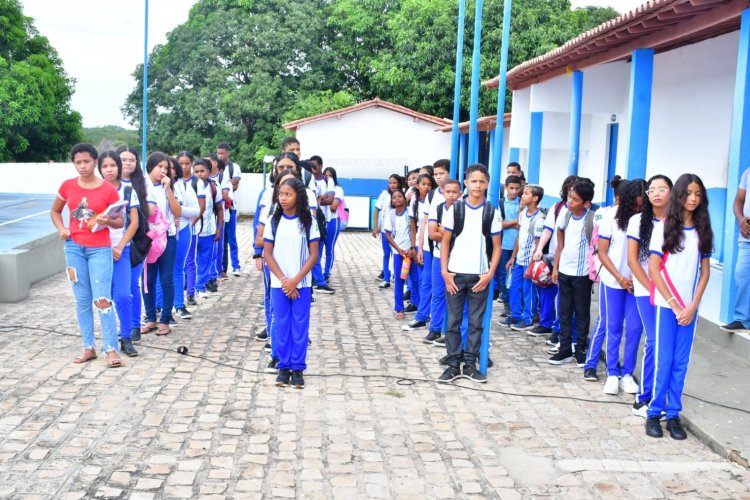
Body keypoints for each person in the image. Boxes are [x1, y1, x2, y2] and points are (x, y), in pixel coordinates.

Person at [646, 173, 713, 440]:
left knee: (681, 363)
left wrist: (692, 306)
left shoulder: (703, 230)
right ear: (679, 196)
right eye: (689, 194)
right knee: (664, 360)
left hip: (689, 311)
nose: (693, 199)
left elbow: (705, 272)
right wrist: (675, 305)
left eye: (698, 194)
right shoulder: (663, 228)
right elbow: (653, 269)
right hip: (667, 307)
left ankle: (673, 414)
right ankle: (654, 413)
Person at [51, 143, 124, 367]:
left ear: (95, 162)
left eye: (87, 161)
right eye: (78, 162)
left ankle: (111, 348)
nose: (82, 166)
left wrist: (107, 220)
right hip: (74, 248)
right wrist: (62, 229)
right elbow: (55, 211)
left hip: (99, 249)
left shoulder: (108, 190)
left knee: (102, 299)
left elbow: (120, 220)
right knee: (82, 300)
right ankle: (88, 347)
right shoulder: (67, 186)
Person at [438, 164, 502, 384]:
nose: (477, 185)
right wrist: (445, 272)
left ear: (487, 184)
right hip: (455, 274)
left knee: (476, 322)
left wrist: (489, 274)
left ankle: (470, 363)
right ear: (466, 182)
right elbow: (445, 242)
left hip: (479, 277)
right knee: (453, 321)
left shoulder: (492, 211)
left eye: (482, 181)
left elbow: (497, 246)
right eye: (473, 181)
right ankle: (453, 364)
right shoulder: (455, 209)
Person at [263, 178, 320, 389]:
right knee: (281, 324)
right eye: (281, 194)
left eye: (288, 194)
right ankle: (283, 366)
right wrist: (284, 280)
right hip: (279, 284)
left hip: (302, 284)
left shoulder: (308, 222)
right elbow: (267, 253)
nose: (283, 198)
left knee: (300, 326)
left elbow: (313, 255)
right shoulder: (273, 221)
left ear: (299, 196)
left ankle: (298, 368)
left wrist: (296, 280)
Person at [594, 179, 646, 395]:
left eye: (642, 206)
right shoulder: (611, 219)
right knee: (613, 328)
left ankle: (627, 373)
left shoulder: (649, 222)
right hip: (613, 281)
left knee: (634, 330)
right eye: (635, 205)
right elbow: (602, 252)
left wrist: (637, 279)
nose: (638, 209)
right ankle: (612, 373)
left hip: (638, 285)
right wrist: (620, 277)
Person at [627, 174, 673, 417]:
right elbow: (632, 260)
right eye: (652, 189)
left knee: (667, 345)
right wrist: (651, 288)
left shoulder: (675, 222)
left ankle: (660, 393)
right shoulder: (637, 221)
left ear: (672, 193)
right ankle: (644, 397)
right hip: (647, 291)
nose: (656, 193)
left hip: (672, 294)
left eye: (662, 189)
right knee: (654, 341)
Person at [549, 179, 596, 366]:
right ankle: (565, 348)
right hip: (565, 270)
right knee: (564, 311)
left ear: (586, 203)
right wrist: (556, 265)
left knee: (582, 312)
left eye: (575, 199)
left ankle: (581, 348)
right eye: (570, 197)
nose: (570, 202)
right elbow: (559, 232)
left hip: (583, 273)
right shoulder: (565, 215)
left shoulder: (592, 218)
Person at [97, 151, 140, 357]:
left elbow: (135, 223)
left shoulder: (129, 190)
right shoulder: (94, 190)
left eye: (113, 165)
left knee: (123, 295)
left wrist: (121, 246)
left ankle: (126, 338)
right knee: (104, 297)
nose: (109, 170)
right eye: (104, 166)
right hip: (98, 251)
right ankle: (109, 339)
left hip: (121, 250)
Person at [532, 176, 578, 343]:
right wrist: (539, 250)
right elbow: (548, 230)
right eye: (570, 188)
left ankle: (563, 331)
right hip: (553, 257)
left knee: (566, 299)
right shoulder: (557, 207)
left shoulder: (584, 212)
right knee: (548, 292)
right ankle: (552, 326)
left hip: (573, 262)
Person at [141, 152, 182, 336]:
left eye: (166, 168)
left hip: (168, 237)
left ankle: (165, 319)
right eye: (160, 167)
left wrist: (169, 190)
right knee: (148, 280)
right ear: (150, 167)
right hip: (148, 238)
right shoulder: (141, 185)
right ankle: (150, 318)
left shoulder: (170, 186)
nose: (163, 171)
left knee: (166, 279)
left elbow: (177, 212)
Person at [116, 146, 148, 342]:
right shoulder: (109, 185)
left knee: (131, 285)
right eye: (123, 159)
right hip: (115, 243)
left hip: (138, 242)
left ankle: (134, 326)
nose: (127, 163)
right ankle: (124, 325)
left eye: (131, 160)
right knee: (119, 289)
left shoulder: (142, 186)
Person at [424, 178, 461, 344]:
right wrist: (449, 234)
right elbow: (432, 234)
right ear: (443, 192)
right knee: (437, 293)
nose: (451, 195)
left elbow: (461, 237)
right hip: (439, 257)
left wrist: (443, 231)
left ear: (460, 193)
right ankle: (435, 328)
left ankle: (452, 332)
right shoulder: (437, 209)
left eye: (455, 192)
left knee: (455, 297)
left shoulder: (463, 210)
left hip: (458, 258)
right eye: (448, 192)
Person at [505, 184, 544, 331]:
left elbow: (537, 244)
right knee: (514, 288)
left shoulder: (539, 219)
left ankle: (528, 318)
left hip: (529, 262)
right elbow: (519, 237)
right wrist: (513, 257)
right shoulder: (522, 214)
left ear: (535, 198)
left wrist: (531, 265)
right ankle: (515, 315)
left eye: (526, 194)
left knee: (529, 291)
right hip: (519, 260)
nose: (522, 196)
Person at [404, 173, 437, 330]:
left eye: (429, 184)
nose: (426, 187)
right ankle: (419, 307)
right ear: (417, 185)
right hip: (419, 244)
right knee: (420, 279)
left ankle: (426, 312)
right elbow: (413, 226)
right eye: (423, 184)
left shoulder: (435, 199)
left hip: (431, 246)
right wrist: (413, 246)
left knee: (428, 281)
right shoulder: (415, 201)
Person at [721, 167, 750, 333]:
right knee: (742, 276)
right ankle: (743, 320)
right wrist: (740, 220)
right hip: (747, 237)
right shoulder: (748, 172)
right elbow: (739, 200)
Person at [171, 156, 201, 319]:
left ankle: (179, 305)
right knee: (160, 270)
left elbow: (196, 211)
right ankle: (159, 306)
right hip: (160, 234)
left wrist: (179, 210)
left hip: (182, 230)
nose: (166, 171)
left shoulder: (184, 186)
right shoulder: (151, 187)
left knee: (178, 268)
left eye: (170, 167)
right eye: (161, 167)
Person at [384, 188, 419, 320]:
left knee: (416, 280)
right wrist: (398, 249)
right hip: (399, 253)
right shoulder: (391, 214)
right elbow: (388, 235)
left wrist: (412, 247)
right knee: (399, 280)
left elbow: (413, 229)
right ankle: (399, 308)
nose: (397, 198)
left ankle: (417, 304)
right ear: (392, 201)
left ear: (405, 199)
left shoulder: (409, 213)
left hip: (411, 252)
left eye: (400, 196)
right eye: (394, 197)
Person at [177, 152, 206, 307]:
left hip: (192, 228)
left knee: (190, 260)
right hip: (175, 230)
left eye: (187, 163)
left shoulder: (196, 182)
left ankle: (190, 293)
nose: (184, 166)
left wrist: (191, 223)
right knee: (177, 264)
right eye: (181, 163)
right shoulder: (173, 182)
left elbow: (201, 207)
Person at [193, 159, 223, 299]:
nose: (199, 174)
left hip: (209, 230)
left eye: (202, 171)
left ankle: (200, 287)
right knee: (191, 261)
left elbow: (219, 210)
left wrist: (219, 229)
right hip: (192, 230)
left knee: (205, 260)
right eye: (196, 171)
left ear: (208, 172)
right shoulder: (189, 186)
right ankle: (190, 287)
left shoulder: (213, 188)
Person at [495, 175, 522, 315]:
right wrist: (514, 223)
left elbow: (523, 224)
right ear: (506, 188)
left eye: (517, 188)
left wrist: (509, 223)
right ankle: (507, 305)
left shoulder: (522, 203)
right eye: (511, 188)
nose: (514, 191)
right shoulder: (500, 203)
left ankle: (518, 305)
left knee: (519, 277)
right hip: (504, 246)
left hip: (521, 247)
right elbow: (499, 224)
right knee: (504, 276)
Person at [373, 174, 405, 288]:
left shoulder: (402, 194)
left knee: (398, 254)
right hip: (386, 229)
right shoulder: (384, 195)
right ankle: (386, 277)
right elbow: (376, 210)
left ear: (399, 183)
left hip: (399, 230)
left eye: (394, 182)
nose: (392, 185)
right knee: (386, 253)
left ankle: (397, 277)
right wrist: (375, 226)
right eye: (390, 182)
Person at [309, 155, 336, 293]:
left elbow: (331, 200)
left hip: (323, 220)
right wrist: (318, 198)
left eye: (315, 166)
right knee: (315, 250)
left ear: (320, 165)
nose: (312, 169)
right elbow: (311, 199)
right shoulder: (309, 179)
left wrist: (319, 199)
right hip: (311, 218)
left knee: (321, 250)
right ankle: (318, 280)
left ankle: (318, 278)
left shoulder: (327, 180)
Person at [217, 142, 242, 276]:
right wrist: (228, 184)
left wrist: (228, 185)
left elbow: (235, 185)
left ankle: (236, 265)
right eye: (218, 153)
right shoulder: (214, 166)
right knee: (221, 240)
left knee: (232, 238)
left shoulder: (234, 167)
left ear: (228, 153)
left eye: (222, 153)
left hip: (231, 207)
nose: (220, 155)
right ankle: (222, 268)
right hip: (219, 208)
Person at [209, 157, 231, 286]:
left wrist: (215, 194)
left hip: (219, 214)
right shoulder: (199, 179)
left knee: (219, 245)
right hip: (206, 216)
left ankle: (218, 271)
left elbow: (225, 195)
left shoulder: (222, 178)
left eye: (210, 161)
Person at [323, 166, 344, 281]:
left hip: (333, 221)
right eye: (326, 175)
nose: (328, 178)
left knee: (329, 249)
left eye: (330, 175)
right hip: (322, 222)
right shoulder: (321, 186)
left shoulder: (338, 189)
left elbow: (333, 206)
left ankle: (327, 272)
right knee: (318, 249)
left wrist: (321, 201)